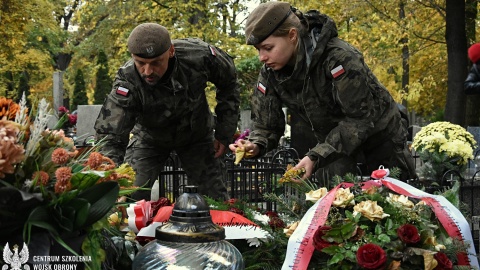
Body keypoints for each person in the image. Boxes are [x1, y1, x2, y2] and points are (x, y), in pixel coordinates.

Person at [229, 2, 416, 182]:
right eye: (258, 49)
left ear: (292, 35)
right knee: (333, 205)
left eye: (268, 48)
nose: (262, 57)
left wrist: (316, 156)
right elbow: (266, 125)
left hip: (381, 139)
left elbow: (359, 120)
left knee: (395, 203)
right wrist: (255, 144)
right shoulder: (271, 74)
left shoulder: (339, 58)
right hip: (332, 147)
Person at [95, 23, 240, 201]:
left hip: (197, 136)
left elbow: (229, 82)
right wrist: (111, 176)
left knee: (215, 199)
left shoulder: (198, 56)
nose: (147, 71)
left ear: (170, 51)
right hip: (150, 139)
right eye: (140, 63)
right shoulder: (127, 80)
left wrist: (224, 133)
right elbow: (110, 134)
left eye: (156, 63)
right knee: (130, 195)